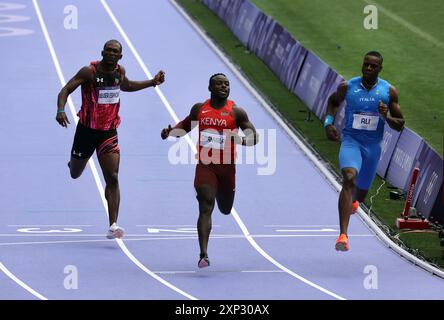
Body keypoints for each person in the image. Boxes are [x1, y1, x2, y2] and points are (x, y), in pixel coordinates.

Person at [56, 39, 165, 239]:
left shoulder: (119, 72)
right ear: (102, 52)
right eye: (108, 50)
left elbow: (127, 86)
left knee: (113, 177)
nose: (111, 53)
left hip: (109, 133)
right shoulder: (89, 72)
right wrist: (61, 109)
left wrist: (152, 82)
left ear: (120, 56)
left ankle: (113, 225)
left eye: (115, 51)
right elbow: (65, 90)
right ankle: (74, 161)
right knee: (75, 173)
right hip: (86, 131)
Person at [160, 73, 258, 268]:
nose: (224, 87)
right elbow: (185, 126)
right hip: (205, 166)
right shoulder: (200, 109)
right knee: (206, 205)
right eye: (219, 84)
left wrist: (237, 140)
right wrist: (170, 132)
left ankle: (223, 206)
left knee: (225, 208)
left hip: (227, 169)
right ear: (210, 88)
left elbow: (254, 137)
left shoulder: (237, 112)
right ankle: (203, 254)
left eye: (227, 84)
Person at [324, 51, 404, 251]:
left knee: (358, 196)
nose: (368, 68)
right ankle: (343, 236)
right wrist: (328, 123)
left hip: (373, 148)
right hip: (351, 142)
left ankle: (356, 202)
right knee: (349, 179)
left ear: (380, 69)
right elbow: (333, 102)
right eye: (366, 64)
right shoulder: (348, 87)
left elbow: (400, 124)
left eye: (373, 66)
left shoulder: (388, 92)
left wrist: (386, 116)